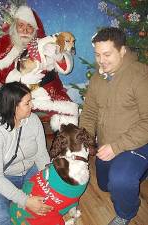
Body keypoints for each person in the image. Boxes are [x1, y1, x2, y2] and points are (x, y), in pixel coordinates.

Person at [79, 27, 148, 225]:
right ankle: (138, 172)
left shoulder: (141, 76)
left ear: (123, 51)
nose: (101, 60)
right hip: (108, 144)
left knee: (121, 180)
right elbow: (90, 113)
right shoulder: (98, 78)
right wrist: (84, 138)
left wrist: (116, 147)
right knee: (104, 185)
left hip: (137, 143)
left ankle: (126, 214)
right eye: (98, 55)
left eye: (107, 54)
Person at [0, 5, 79, 131]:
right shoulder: (6, 43)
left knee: (68, 118)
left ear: (35, 29)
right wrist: (21, 79)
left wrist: (58, 57)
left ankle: (67, 146)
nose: (25, 30)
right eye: (21, 25)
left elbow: (64, 68)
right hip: (20, 93)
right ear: (15, 26)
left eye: (29, 26)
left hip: (51, 91)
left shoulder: (44, 41)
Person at [0, 82, 53, 225]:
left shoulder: (33, 120)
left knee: (47, 205)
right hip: (2, 178)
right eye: (27, 103)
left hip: (30, 171)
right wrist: (25, 200)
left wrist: (47, 180)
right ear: (13, 107)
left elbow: (41, 155)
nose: (32, 106)